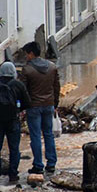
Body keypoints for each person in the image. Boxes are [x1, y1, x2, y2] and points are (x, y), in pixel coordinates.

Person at [0, 62, 31, 183]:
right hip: (13, 120)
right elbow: (28, 103)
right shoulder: (18, 85)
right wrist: (18, 110)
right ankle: (13, 175)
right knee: (14, 148)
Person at [21, 42, 60, 175]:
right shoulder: (52, 67)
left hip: (34, 107)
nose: (26, 56)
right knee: (48, 134)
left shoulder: (27, 70)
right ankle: (51, 163)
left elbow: (23, 91)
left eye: (27, 54)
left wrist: (22, 107)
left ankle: (38, 165)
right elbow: (56, 87)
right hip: (49, 105)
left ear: (31, 54)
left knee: (36, 136)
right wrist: (55, 104)